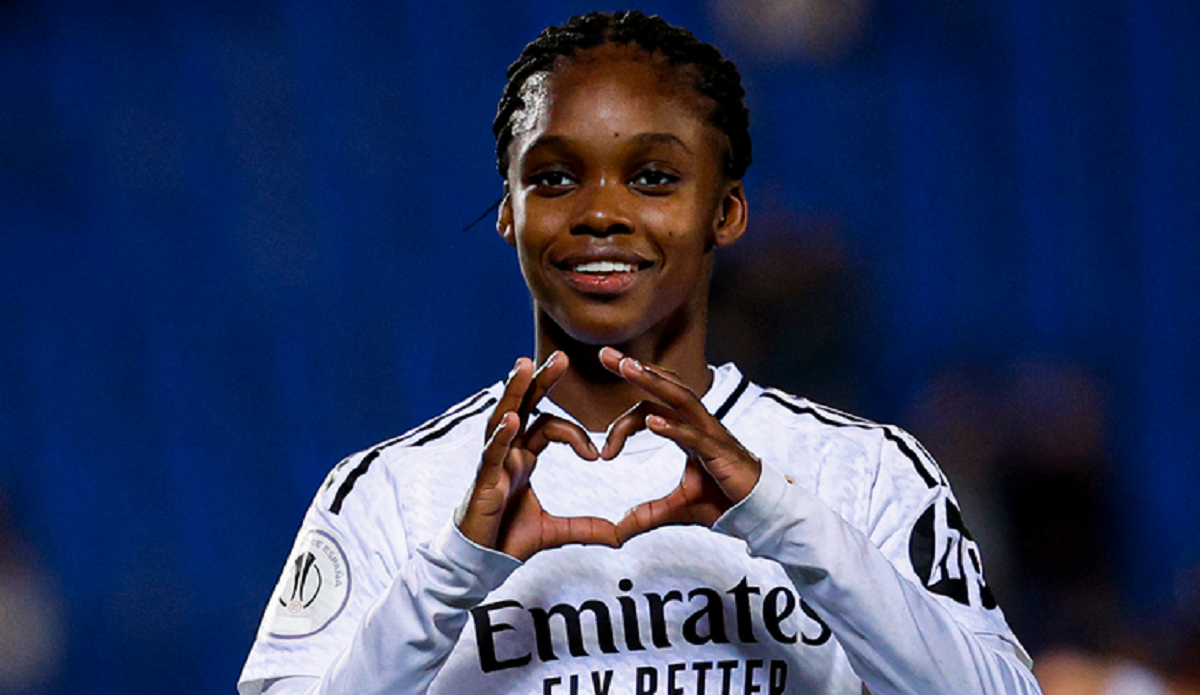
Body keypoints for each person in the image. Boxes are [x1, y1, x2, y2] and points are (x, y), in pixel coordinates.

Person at [238, 11, 1041, 694]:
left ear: (725, 212)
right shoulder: (394, 495)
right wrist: (457, 565)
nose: (601, 213)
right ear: (508, 214)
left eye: (653, 177)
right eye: (554, 179)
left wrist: (779, 515)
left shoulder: (860, 470)